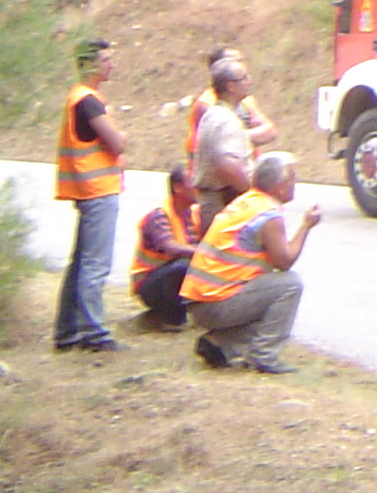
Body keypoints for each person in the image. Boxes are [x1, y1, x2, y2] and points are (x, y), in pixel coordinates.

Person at [181, 151, 322, 374]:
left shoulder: (247, 202)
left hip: (201, 301)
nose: (295, 182)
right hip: (215, 303)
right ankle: (265, 356)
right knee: (289, 285)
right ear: (279, 187)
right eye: (292, 177)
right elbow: (285, 262)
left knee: (273, 301)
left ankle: (220, 343)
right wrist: (306, 226)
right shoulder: (268, 214)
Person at [53, 37, 127, 352]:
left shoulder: (80, 98)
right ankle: (93, 333)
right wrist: (123, 135)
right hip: (98, 191)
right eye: (106, 59)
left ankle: (67, 331)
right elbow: (118, 143)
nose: (111, 64)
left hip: (87, 190)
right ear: (89, 64)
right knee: (95, 264)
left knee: (80, 262)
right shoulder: (88, 101)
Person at [130, 164, 202, 328]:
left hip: (168, 279)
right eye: (193, 181)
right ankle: (171, 319)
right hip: (150, 285)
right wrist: (204, 252)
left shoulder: (195, 214)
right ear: (177, 187)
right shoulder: (159, 215)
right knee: (182, 267)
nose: (198, 185)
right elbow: (169, 247)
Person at [192, 57, 256, 233]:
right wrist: (252, 195)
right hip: (224, 203)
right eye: (244, 78)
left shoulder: (215, 114)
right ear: (230, 86)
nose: (249, 81)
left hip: (214, 202)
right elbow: (227, 165)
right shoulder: (226, 120)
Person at [183, 44, 276, 158]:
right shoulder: (206, 105)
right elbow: (221, 145)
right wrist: (249, 136)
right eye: (236, 61)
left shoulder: (246, 100)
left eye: (242, 60)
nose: (241, 64)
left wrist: (237, 137)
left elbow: (270, 131)